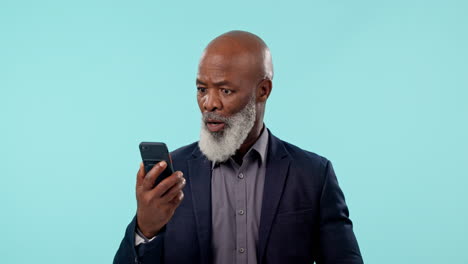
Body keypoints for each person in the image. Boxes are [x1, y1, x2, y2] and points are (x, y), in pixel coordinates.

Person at [114, 30, 363, 264]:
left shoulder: (313, 174)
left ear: (263, 91)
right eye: (202, 89)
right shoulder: (173, 172)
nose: (209, 104)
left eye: (225, 90)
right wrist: (145, 230)